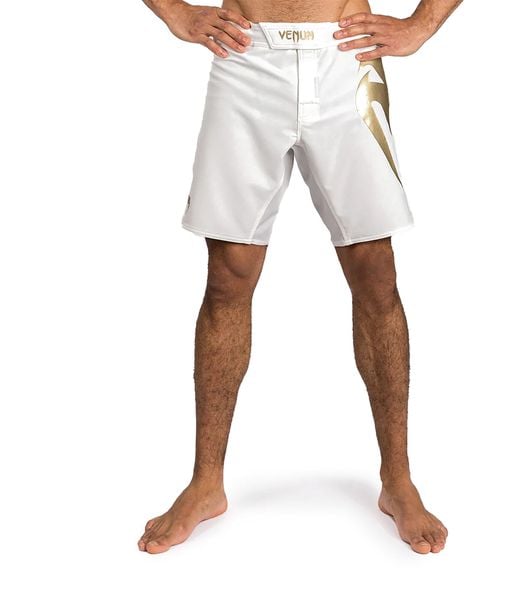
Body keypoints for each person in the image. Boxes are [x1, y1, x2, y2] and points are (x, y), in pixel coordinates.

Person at [139, 0, 461, 555]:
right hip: (245, 57)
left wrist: (422, 24)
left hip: (346, 58)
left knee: (374, 269)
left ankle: (398, 479)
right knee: (228, 274)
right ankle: (206, 482)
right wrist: (174, 11)